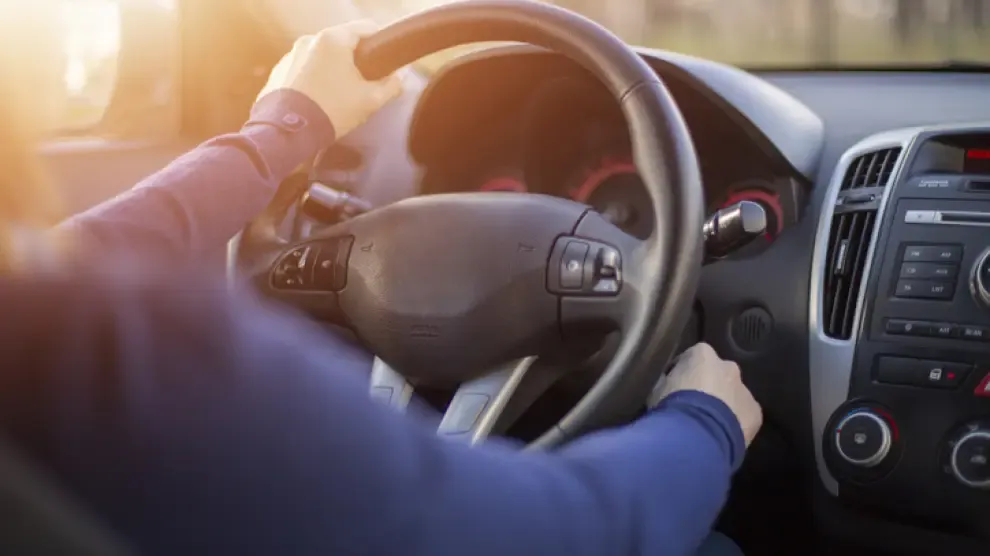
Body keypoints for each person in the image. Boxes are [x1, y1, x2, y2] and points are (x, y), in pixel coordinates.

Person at [0, 10, 763, 556]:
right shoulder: (125, 352)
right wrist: (704, 421)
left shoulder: (50, 327)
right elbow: (565, 531)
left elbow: (74, 257)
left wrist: (282, 133)